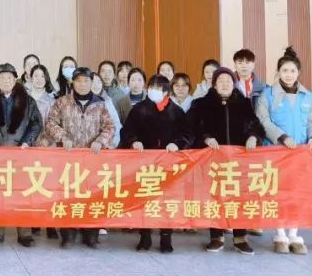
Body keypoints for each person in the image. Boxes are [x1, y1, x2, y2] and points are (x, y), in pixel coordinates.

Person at [189, 67, 263, 254]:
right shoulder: (201, 104)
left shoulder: (243, 103)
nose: (224, 84)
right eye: (220, 81)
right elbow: (192, 127)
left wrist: (253, 136)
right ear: (214, 84)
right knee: (215, 196)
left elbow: (255, 124)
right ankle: (216, 236)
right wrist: (205, 137)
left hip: (238, 162)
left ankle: (240, 237)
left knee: (239, 197)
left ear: (234, 84)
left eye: (228, 81)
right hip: (212, 160)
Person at [256, 46, 312, 255]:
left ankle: (294, 233)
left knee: (297, 193)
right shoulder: (267, 95)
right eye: (284, 71)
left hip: (300, 153)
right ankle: (280, 234)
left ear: (298, 73)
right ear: (278, 72)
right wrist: (282, 137)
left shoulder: (308, 96)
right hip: (276, 152)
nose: (289, 75)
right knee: (278, 193)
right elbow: (263, 121)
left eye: (292, 71)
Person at [119, 74, 193, 254]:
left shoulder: (176, 111)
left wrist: (177, 143)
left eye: (158, 88)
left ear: (166, 92)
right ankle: (145, 235)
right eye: (152, 87)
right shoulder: (139, 109)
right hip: (144, 164)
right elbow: (127, 131)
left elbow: (188, 134)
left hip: (168, 164)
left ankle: (166, 236)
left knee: (166, 200)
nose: (154, 91)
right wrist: (133, 141)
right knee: (144, 199)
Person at [42, 67, 115, 249]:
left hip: (92, 159)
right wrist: (62, 137)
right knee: (68, 195)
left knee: (92, 195)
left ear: (91, 83)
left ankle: (91, 234)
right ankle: (68, 234)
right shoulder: (62, 102)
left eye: (86, 81)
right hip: (68, 159)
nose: (82, 84)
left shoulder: (100, 104)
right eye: (79, 81)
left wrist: (100, 141)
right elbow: (50, 123)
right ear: (72, 83)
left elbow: (110, 127)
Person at [0, 63, 42, 247]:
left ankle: (25, 233)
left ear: (15, 79)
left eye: (9, 77)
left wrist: (27, 142)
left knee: (23, 193)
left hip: (21, 154)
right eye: (2, 78)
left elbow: (36, 124)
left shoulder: (28, 101)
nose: (6, 81)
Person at [27, 64, 57, 144]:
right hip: (25, 143)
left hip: (46, 144)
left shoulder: (52, 102)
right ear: (31, 78)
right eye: (36, 76)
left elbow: (55, 125)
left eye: (42, 76)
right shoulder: (24, 98)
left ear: (46, 79)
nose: (39, 79)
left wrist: (47, 140)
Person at [90, 73, 122, 148]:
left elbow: (116, 123)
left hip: (106, 145)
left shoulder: (107, 100)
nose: (96, 85)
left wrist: (112, 144)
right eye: (93, 82)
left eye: (99, 82)